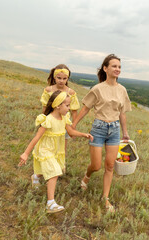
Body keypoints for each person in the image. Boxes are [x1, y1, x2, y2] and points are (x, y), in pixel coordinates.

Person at [71, 54, 132, 212]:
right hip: (98, 128)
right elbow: (85, 108)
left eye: (119, 66)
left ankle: (105, 198)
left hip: (115, 130)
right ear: (105, 68)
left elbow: (122, 113)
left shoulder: (122, 90)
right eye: (114, 66)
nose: (117, 69)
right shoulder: (97, 88)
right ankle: (87, 176)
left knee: (110, 165)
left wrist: (125, 132)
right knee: (96, 165)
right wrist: (73, 126)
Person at [18, 90, 93, 213]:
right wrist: (26, 153)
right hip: (45, 149)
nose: (69, 108)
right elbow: (36, 137)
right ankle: (50, 203)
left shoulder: (64, 118)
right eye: (67, 105)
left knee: (48, 169)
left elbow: (71, 132)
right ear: (58, 105)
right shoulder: (48, 119)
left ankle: (35, 176)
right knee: (54, 172)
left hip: (55, 150)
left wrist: (83, 134)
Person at [40, 64, 80, 151]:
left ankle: (61, 164)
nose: (61, 81)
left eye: (64, 78)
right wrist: (43, 121)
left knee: (62, 148)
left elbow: (74, 111)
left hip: (64, 123)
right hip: (50, 122)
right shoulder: (48, 90)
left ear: (67, 78)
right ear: (54, 77)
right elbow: (44, 108)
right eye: (59, 78)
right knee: (48, 145)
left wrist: (73, 126)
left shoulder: (71, 92)